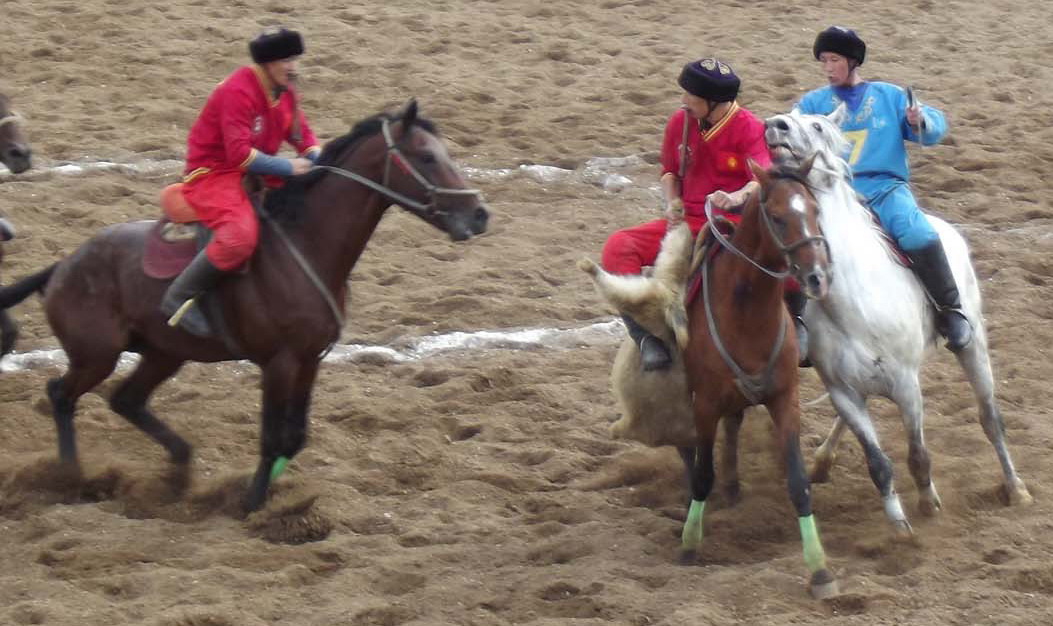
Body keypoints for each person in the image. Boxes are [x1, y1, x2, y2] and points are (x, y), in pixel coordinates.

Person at [795, 26, 971, 352]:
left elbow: (933, 130)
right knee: (796, 240)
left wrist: (919, 120)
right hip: (833, 194)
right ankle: (797, 322)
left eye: (834, 60)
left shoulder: (889, 96)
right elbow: (792, 130)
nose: (828, 67)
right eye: (824, 61)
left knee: (916, 231)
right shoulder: (813, 102)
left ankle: (951, 311)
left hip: (884, 188)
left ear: (852, 61)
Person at [601, 58, 779, 371]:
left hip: (732, 224)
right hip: (688, 221)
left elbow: (761, 178)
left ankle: (799, 322)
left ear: (714, 102)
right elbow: (669, 171)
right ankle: (646, 335)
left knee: (785, 262)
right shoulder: (679, 123)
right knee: (619, 246)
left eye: (691, 96)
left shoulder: (750, 127)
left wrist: (736, 196)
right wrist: (673, 204)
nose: (683, 102)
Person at [161, 27, 322, 336]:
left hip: (254, 174)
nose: (292, 67)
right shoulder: (238, 91)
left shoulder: (285, 91)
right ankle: (178, 295)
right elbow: (238, 155)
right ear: (267, 63)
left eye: (294, 59)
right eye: (285, 60)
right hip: (213, 174)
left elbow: (303, 137)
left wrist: (320, 159)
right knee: (239, 238)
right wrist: (289, 167)